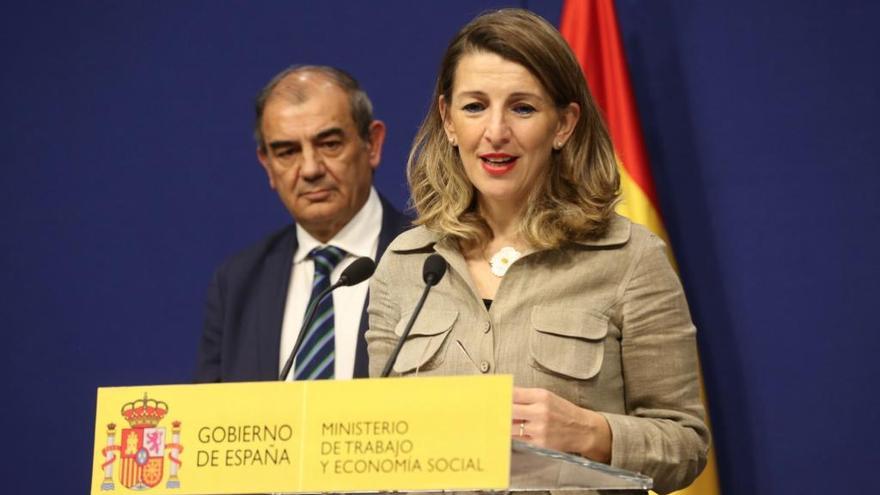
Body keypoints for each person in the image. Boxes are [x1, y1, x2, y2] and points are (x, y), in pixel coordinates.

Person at [365, 9, 708, 494]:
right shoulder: (405, 264)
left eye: (522, 108)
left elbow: (685, 444)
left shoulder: (631, 258)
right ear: (447, 119)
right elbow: (376, 444)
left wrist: (592, 433)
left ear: (564, 124)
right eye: (474, 107)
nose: (496, 132)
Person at [197, 66, 409, 382]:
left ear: (372, 144)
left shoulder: (434, 260)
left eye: (330, 144)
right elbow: (208, 416)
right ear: (268, 165)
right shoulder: (238, 282)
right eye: (287, 152)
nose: (310, 169)